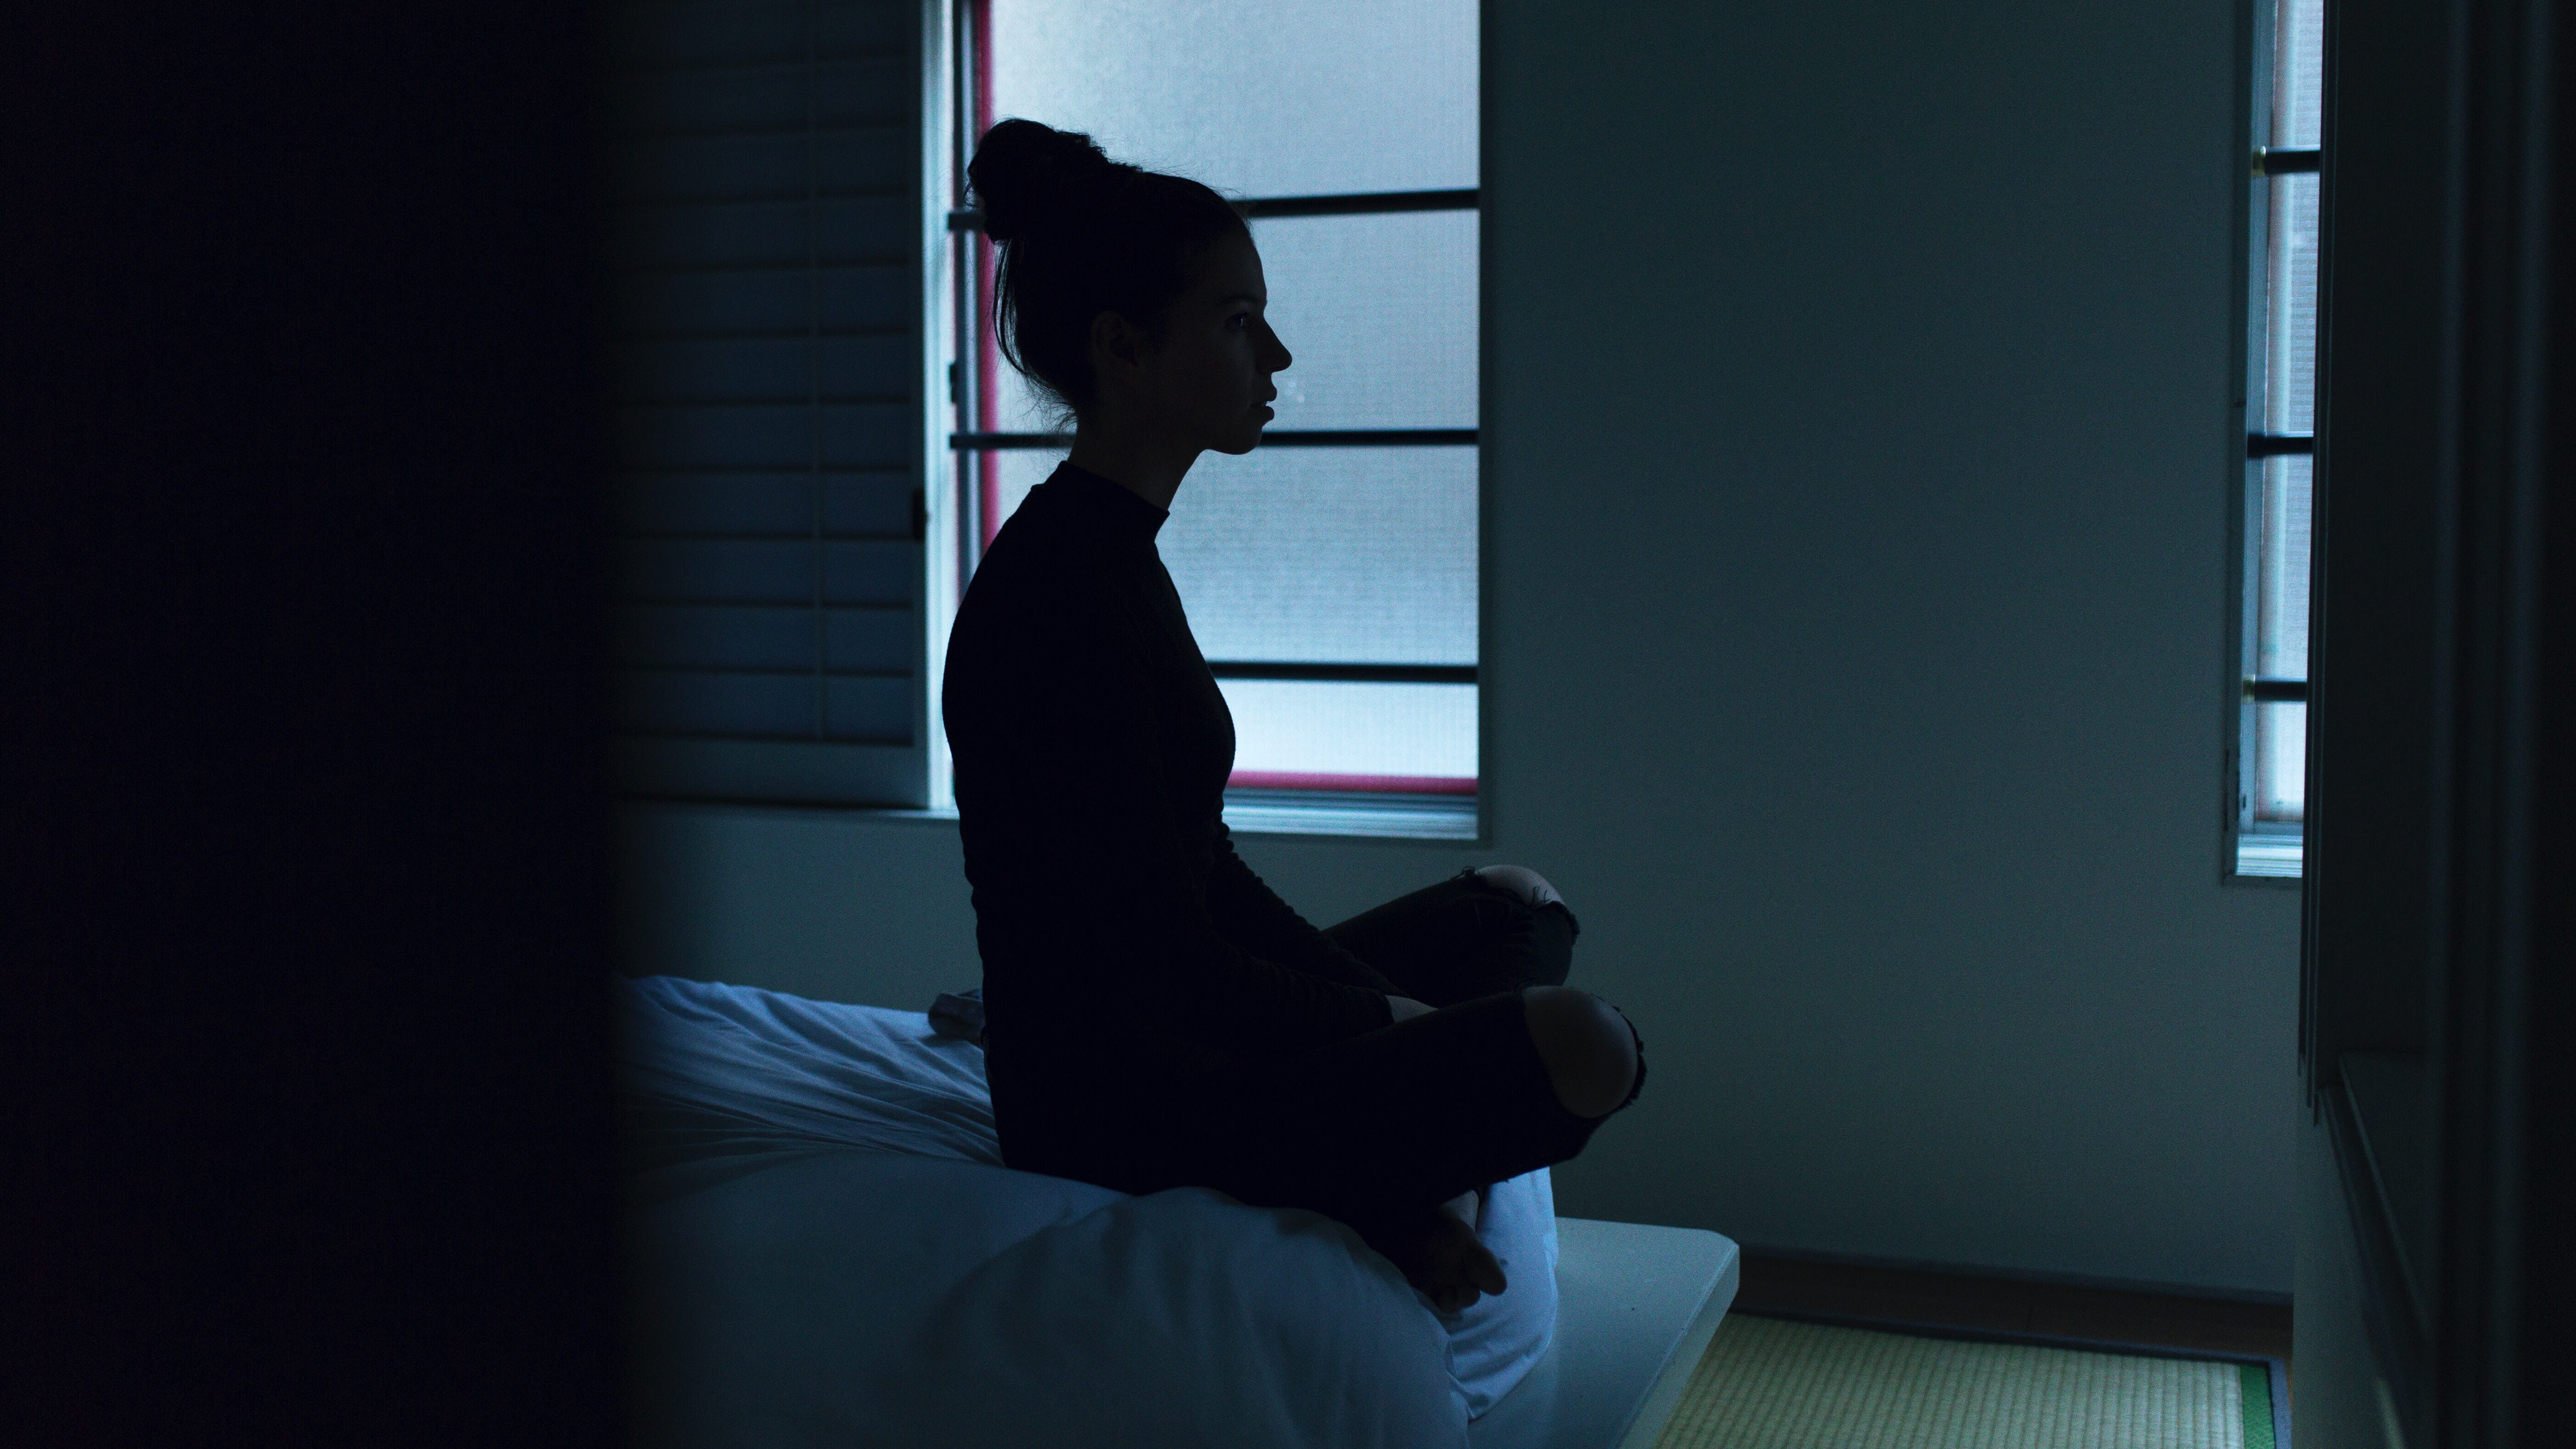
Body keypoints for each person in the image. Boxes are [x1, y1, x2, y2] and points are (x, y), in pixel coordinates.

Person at [941, 118, 1644, 1314]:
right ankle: (1385, 1196)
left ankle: (1387, 1176)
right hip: (1118, 1102)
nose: (1274, 353)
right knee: (1588, 1045)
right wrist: (1385, 1020)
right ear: (1124, 347)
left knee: (1513, 904)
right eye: (1233, 320)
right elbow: (1166, 962)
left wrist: (1381, 1012)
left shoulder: (1110, 551)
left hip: (1190, 1028)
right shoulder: (1056, 598)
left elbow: (1207, 875)